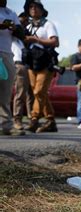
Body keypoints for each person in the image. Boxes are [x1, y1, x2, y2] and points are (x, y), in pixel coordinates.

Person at [24, 0, 59, 133]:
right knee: (38, 92)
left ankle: (34, 119)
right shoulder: (28, 26)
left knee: (39, 91)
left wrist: (36, 40)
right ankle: (50, 121)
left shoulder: (48, 24)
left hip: (46, 61)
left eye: (36, 7)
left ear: (41, 9)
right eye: (31, 7)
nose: (33, 9)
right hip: (32, 61)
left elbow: (55, 42)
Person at [0, 0, 25, 136]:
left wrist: (15, 28)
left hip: (7, 54)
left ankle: (5, 126)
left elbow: (22, 35)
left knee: (5, 91)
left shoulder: (11, 13)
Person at [11, 12, 33, 130]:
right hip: (18, 64)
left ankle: (31, 120)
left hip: (27, 65)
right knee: (20, 93)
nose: (25, 23)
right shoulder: (13, 34)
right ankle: (17, 119)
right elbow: (17, 30)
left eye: (26, 21)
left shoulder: (23, 39)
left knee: (30, 95)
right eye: (22, 21)